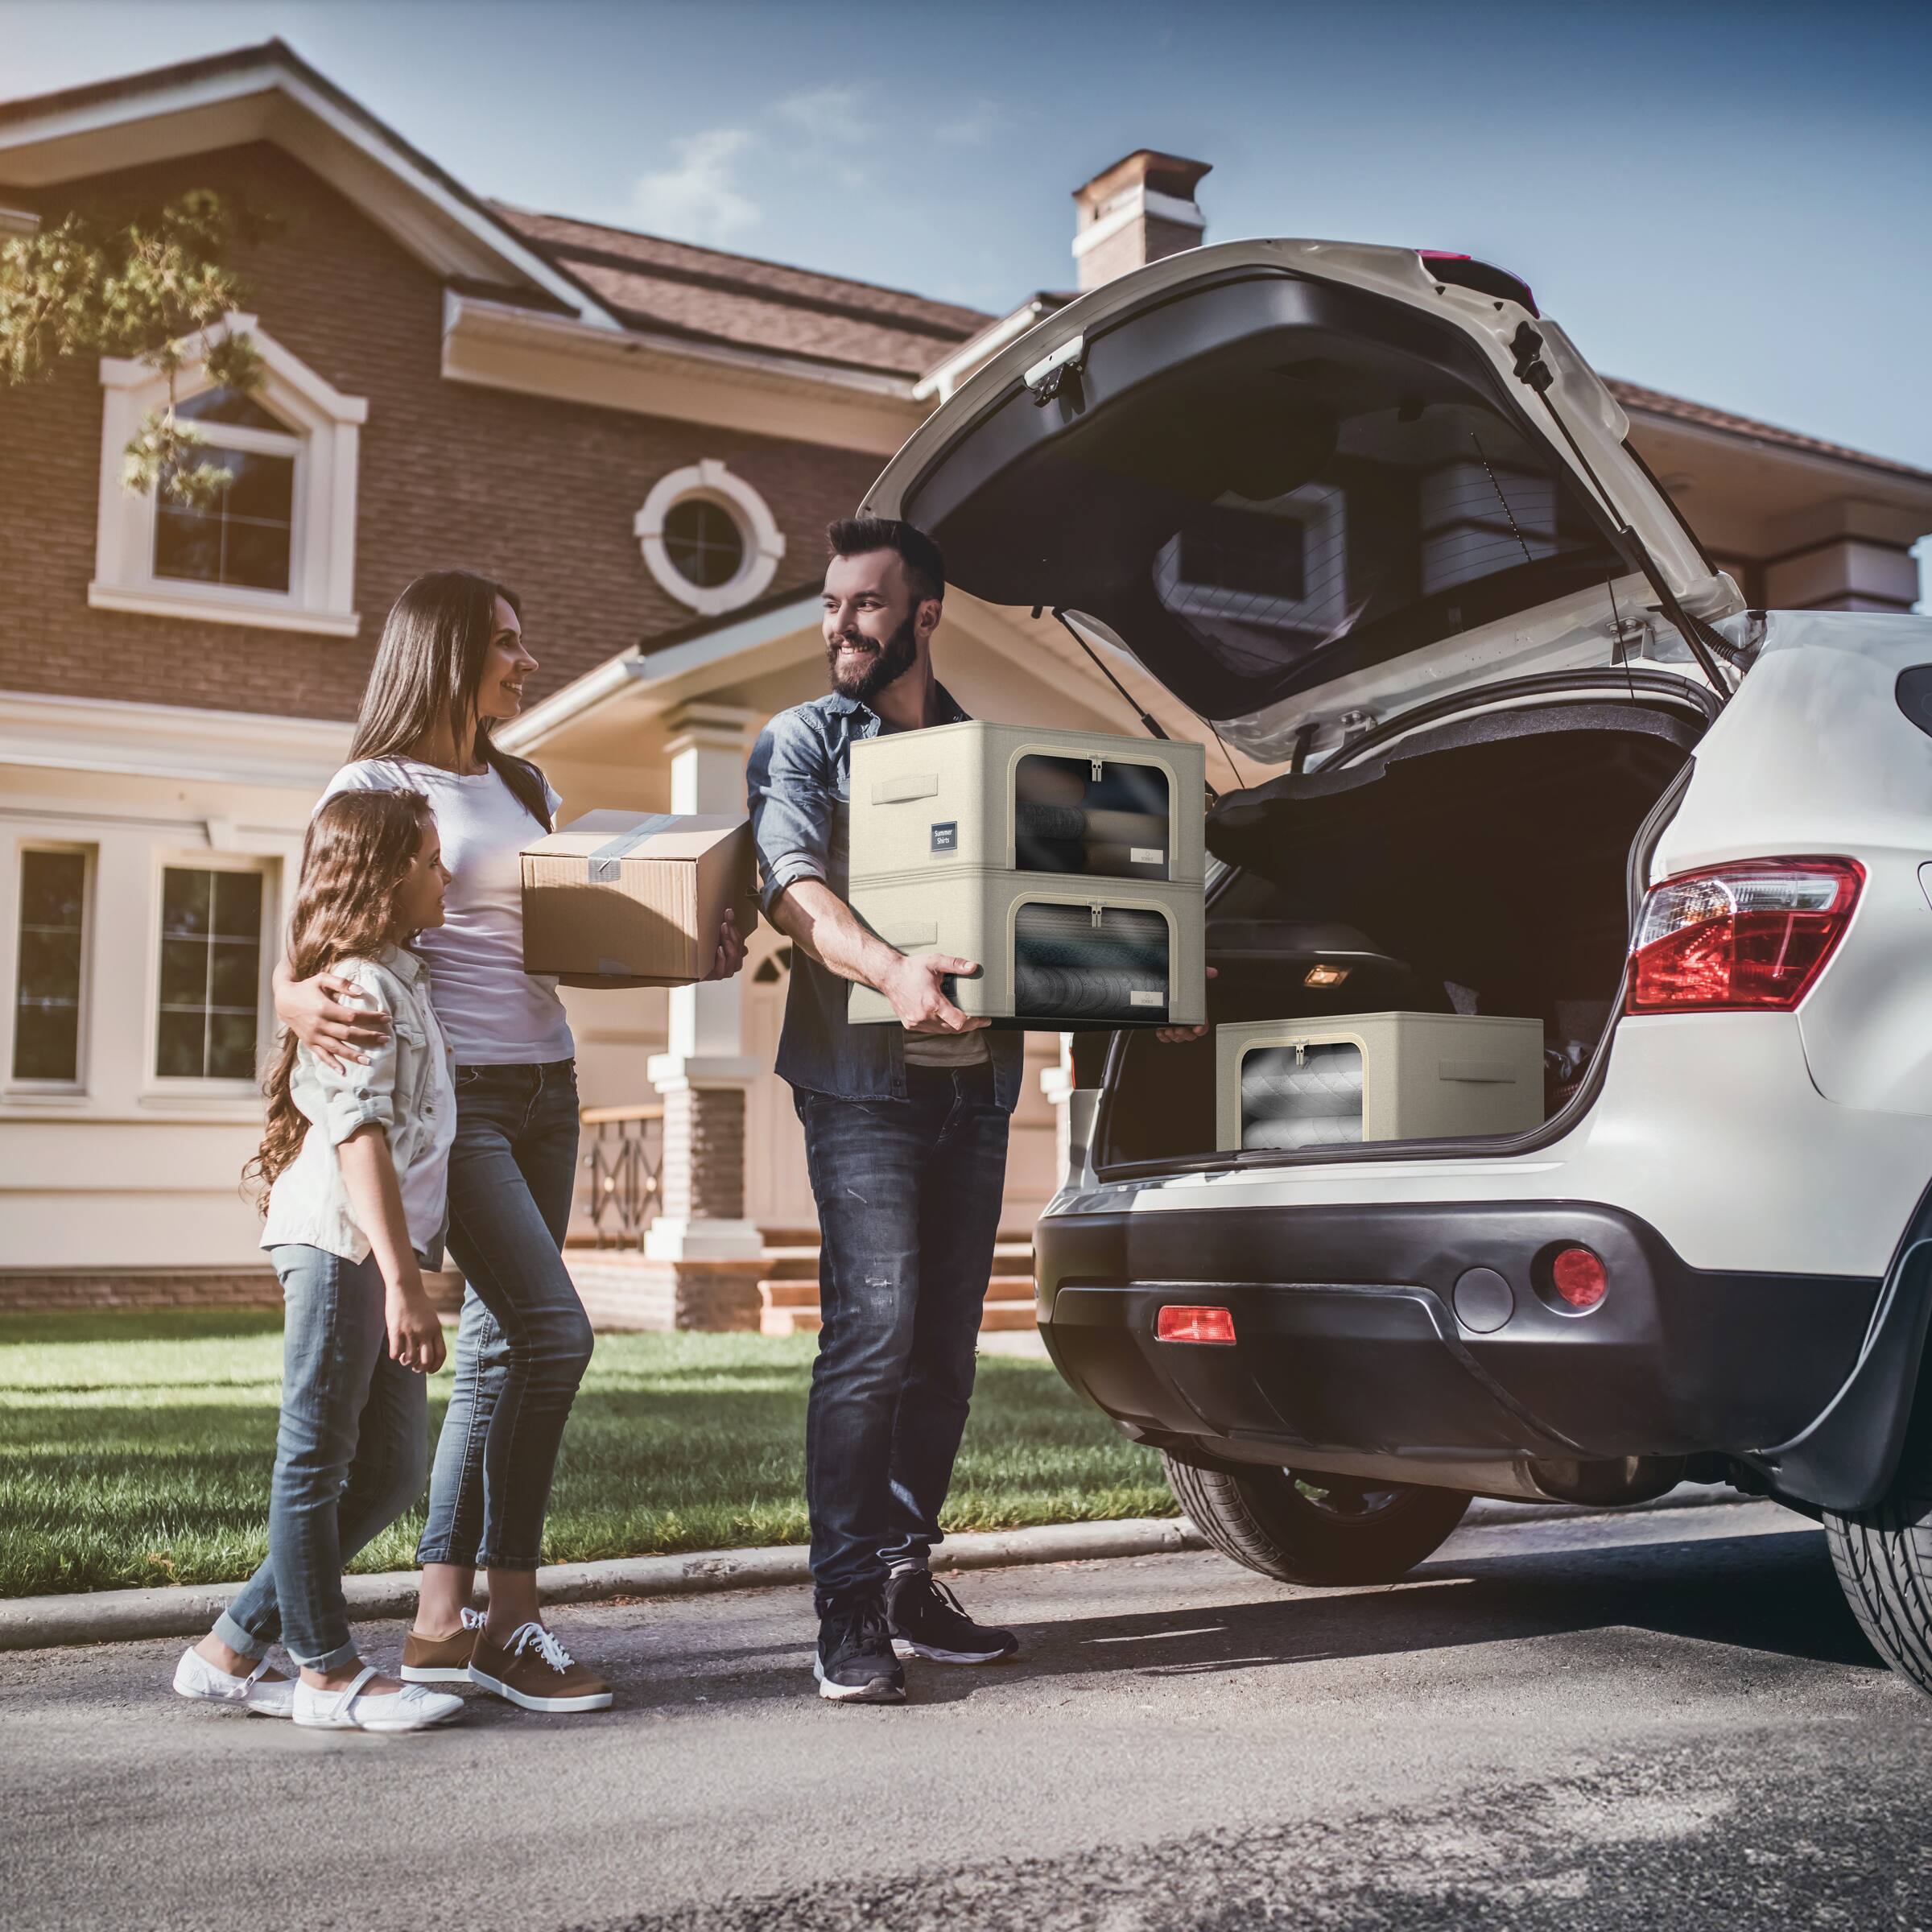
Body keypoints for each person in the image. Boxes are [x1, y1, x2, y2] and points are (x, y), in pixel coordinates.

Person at [749, 518, 1207, 1704]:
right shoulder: (804, 741)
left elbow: (1049, 914)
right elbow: (795, 888)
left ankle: (907, 1577)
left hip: (976, 1092)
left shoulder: (985, 759)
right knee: (874, 1334)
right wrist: (895, 968)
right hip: (863, 1092)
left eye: (865, 604)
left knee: (944, 1352)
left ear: (926, 615)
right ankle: (845, 1602)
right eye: (832, 605)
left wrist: (1140, 996)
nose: (841, 626)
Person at [275, 571, 745, 1715]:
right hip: (461, 1099)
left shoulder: (522, 781)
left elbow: (545, 944)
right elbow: (319, 934)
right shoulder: (375, 782)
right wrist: (291, 1006)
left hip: (549, 1084)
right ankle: (511, 1619)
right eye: (508, 644)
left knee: (498, 1350)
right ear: (446, 651)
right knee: (554, 1334)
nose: (527, 663)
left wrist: (688, 951)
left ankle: (442, 1622)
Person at [173, 790, 466, 1732]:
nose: (446, 874)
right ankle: (327, 1672)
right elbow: (358, 1140)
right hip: (341, 1243)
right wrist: (403, 1280)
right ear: (387, 877)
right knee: (316, 1458)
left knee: (387, 1472)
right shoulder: (357, 990)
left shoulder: (401, 976)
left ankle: (227, 1650)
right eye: (430, 859)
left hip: (373, 1248)